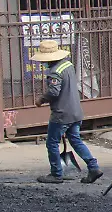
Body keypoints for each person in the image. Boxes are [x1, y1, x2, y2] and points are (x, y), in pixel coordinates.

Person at [32, 39, 102, 184]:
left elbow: (54, 92)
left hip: (61, 114)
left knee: (52, 143)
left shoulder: (54, 72)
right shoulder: (68, 65)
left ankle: (56, 174)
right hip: (75, 111)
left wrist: (41, 99)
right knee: (76, 140)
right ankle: (93, 167)